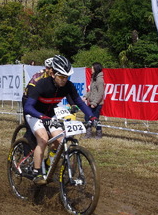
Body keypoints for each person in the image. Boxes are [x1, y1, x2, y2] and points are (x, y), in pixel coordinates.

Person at [23, 55, 96, 184]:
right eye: (61, 76)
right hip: (35, 113)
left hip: (50, 113)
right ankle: (37, 172)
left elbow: (80, 102)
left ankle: (47, 164)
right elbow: (28, 107)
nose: (64, 80)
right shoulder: (41, 84)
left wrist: (92, 116)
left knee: (60, 140)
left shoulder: (68, 86)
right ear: (53, 74)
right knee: (43, 138)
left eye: (66, 77)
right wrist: (42, 117)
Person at [84, 62, 105, 139]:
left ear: (96, 69)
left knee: (95, 119)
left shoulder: (100, 80)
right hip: (91, 102)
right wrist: (85, 97)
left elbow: (100, 93)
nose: (91, 70)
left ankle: (99, 134)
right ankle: (88, 133)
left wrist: (95, 103)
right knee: (87, 117)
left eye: (92, 68)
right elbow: (91, 91)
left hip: (97, 104)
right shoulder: (93, 78)